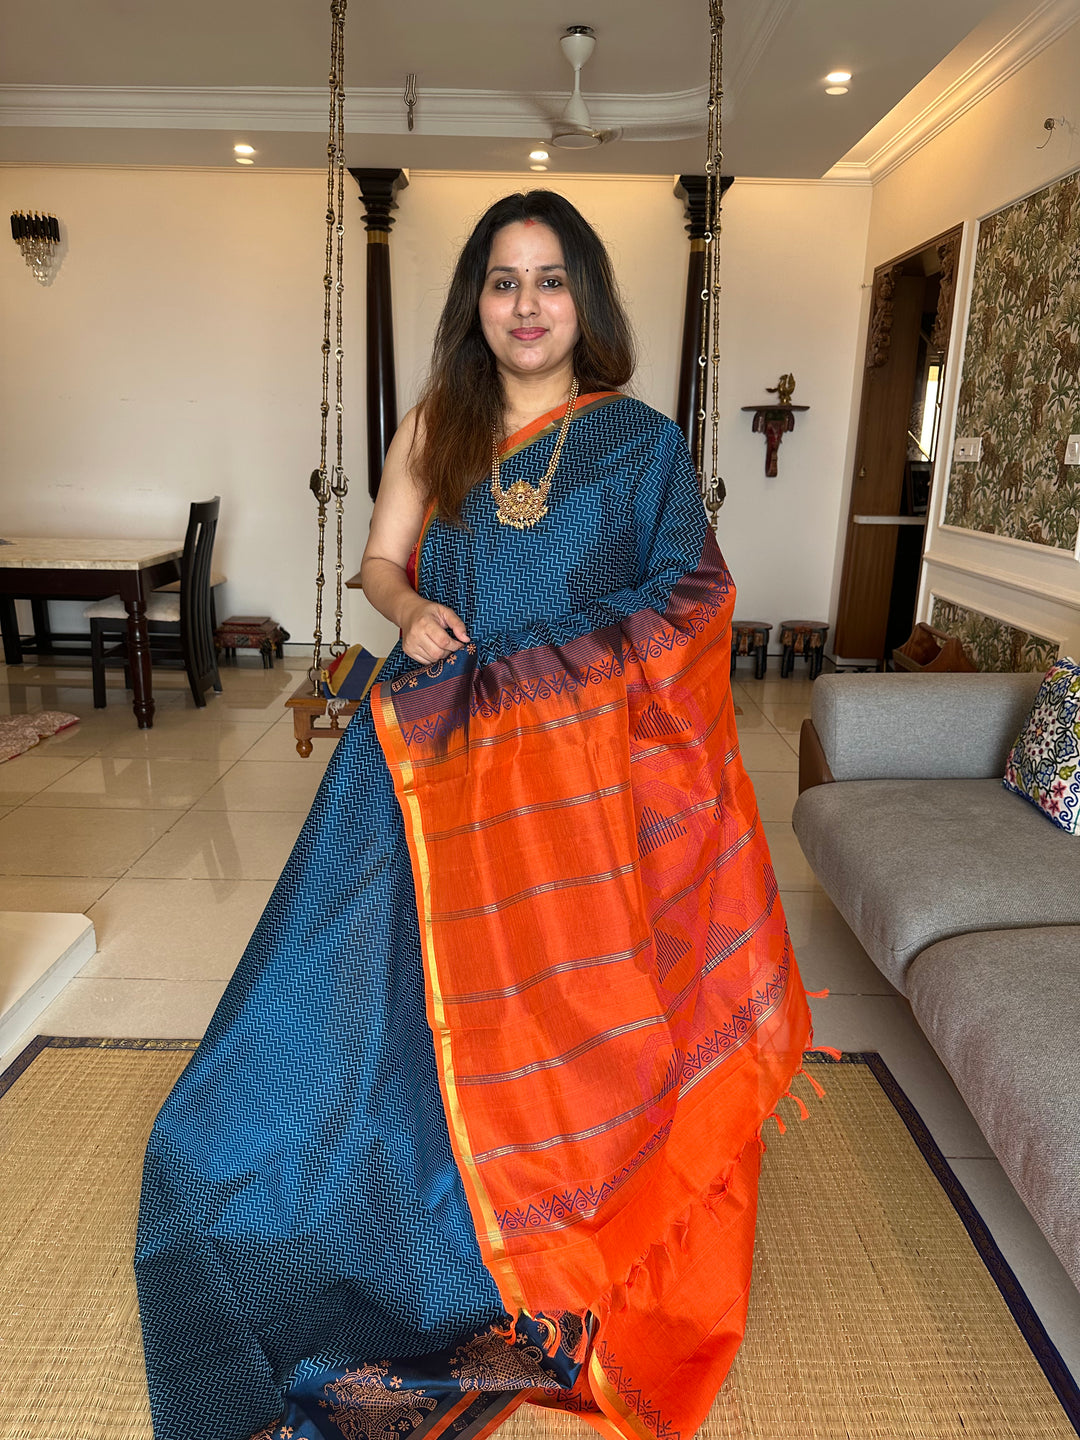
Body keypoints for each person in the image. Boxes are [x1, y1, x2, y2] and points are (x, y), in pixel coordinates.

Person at [135, 190, 812, 1440]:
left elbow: (695, 600)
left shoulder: (642, 448)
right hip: (431, 766)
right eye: (503, 282)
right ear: (476, 304)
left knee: (559, 1027)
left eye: (551, 280)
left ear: (587, 300)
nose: (527, 305)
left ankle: (544, 1249)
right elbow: (381, 560)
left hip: (573, 807)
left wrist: (560, 675)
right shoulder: (437, 423)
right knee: (330, 1033)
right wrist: (408, 614)